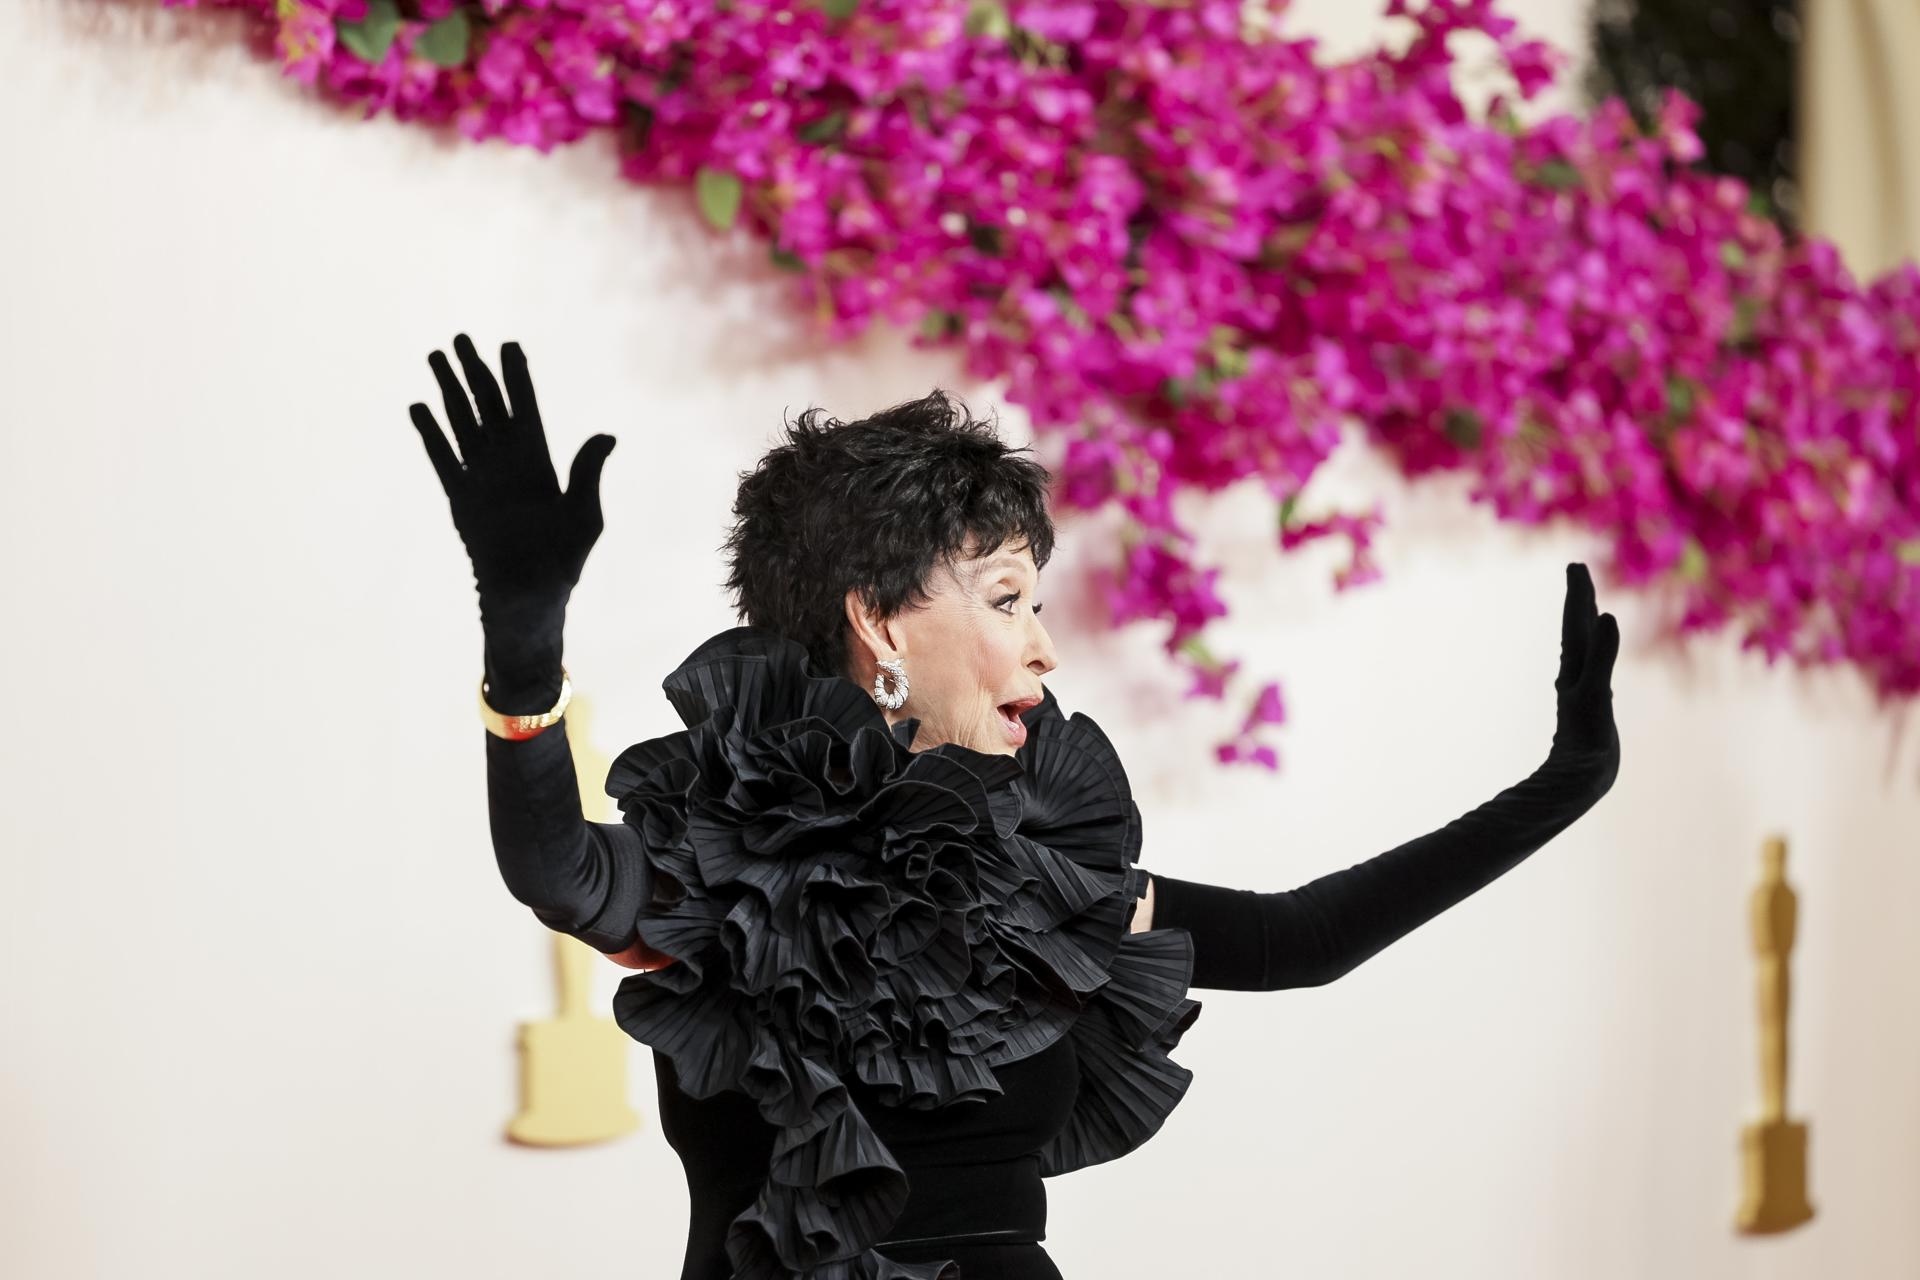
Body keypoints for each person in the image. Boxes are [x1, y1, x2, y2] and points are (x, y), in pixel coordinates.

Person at [410, 334, 1623, 1280]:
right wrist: (524, 649)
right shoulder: (732, 862)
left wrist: (1559, 786)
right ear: (881, 622)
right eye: (1005, 599)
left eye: (1035, 604)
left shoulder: (1040, 873)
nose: (1044, 647)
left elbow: (1297, 936)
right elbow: (561, 869)